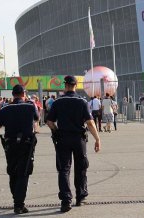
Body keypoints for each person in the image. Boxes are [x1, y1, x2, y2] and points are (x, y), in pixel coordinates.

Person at [47, 76, 101, 213]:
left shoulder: (57, 102)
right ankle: (80, 196)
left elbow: (50, 122)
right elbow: (90, 122)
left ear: (65, 86)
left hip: (63, 138)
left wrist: (56, 131)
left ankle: (66, 201)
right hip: (78, 139)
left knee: (64, 169)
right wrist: (97, 139)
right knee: (81, 167)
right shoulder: (82, 101)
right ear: (76, 85)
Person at [0, 84, 39, 215]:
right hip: (26, 144)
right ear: (23, 94)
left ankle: (16, 199)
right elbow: (37, 119)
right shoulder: (30, 106)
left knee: (12, 171)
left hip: (10, 145)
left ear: (12, 95)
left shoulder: (5, 108)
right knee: (24, 172)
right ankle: (19, 204)